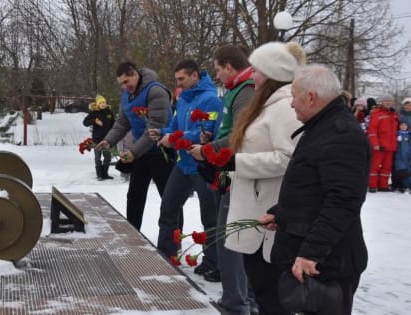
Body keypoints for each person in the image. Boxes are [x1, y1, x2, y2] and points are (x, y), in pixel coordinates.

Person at [260, 64, 370, 315]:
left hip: (329, 264)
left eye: (294, 97)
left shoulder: (341, 134)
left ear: (311, 97)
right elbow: (312, 189)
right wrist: (282, 213)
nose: (291, 105)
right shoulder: (322, 127)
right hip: (316, 258)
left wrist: (311, 254)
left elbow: (343, 202)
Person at [189, 44, 256, 314]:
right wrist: (212, 139)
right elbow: (229, 130)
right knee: (226, 230)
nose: (217, 75)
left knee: (229, 237)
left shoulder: (246, 90)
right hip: (228, 170)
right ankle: (242, 299)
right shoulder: (236, 90)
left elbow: (242, 136)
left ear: (229, 66)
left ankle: (237, 303)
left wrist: (206, 150)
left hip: (236, 170)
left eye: (218, 70)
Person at [149, 59, 222, 279]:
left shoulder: (211, 100)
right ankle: (167, 252)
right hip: (183, 165)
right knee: (168, 207)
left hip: (203, 166)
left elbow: (206, 132)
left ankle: (213, 262)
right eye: (176, 79)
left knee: (210, 217)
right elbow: (175, 127)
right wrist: (163, 133)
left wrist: (175, 138)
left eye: (182, 79)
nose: (178, 83)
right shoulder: (182, 99)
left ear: (195, 76)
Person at [95, 61, 176, 230]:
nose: (125, 87)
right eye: (121, 84)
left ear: (135, 74)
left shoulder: (156, 91)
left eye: (126, 82)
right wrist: (109, 140)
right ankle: (132, 234)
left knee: (169, 200)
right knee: (134, 197)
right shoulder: (127, 95)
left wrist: (133, 152)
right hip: (141, 152)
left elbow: (154, 128)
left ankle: (173, 240)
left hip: (162, 152)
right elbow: (122, 122)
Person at [367, 94, 399, 192]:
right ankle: (372, 185)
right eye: (386, 101)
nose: (388, 102)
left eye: (389, 101)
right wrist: (375, 144)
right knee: (374, 166)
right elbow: (372, 131)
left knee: (387, 167)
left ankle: (383, 186)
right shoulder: (377, 114)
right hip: (380, 146)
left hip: (391, 146)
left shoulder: (394, 114)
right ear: (382, 102)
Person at [83, 94, 115, 180]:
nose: (103, 104)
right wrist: (94, 121)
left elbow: (114, 124)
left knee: (107, 157)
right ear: (97, 104)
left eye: (104, 102)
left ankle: (105, 174)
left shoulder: (109, 112)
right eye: (101, 103)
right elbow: (85, 122)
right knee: (98, 158)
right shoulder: (94, 113)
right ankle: (99, 175)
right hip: (97, 139)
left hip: (107, 139)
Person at [394, 121, 411, 192]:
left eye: (405, 125)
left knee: (408, 172)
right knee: (401, 172)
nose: (403, 127)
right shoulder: (396, 134)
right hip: (399, 157)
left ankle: (406, 186)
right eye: (401, 125)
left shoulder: (409, 135)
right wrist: (396, 139)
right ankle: (403, 185)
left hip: (408, 157)